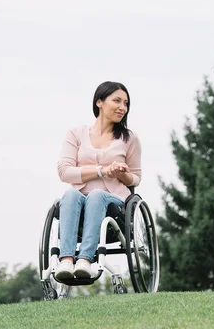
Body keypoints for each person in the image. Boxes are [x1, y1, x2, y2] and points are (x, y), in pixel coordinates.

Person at [54, 81, 142, 280]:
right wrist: (101, 171)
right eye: (117, 101)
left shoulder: (129, 139)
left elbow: (136, 177)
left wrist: (122, 174)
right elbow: (64, 172)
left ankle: (85, 260)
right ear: (99, 102)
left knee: (96, 196)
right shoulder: (75, 134)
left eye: (126, 103)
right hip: (78, 199)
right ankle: (66, 260)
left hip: (113, 202)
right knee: (70, 194)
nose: (123, 107)